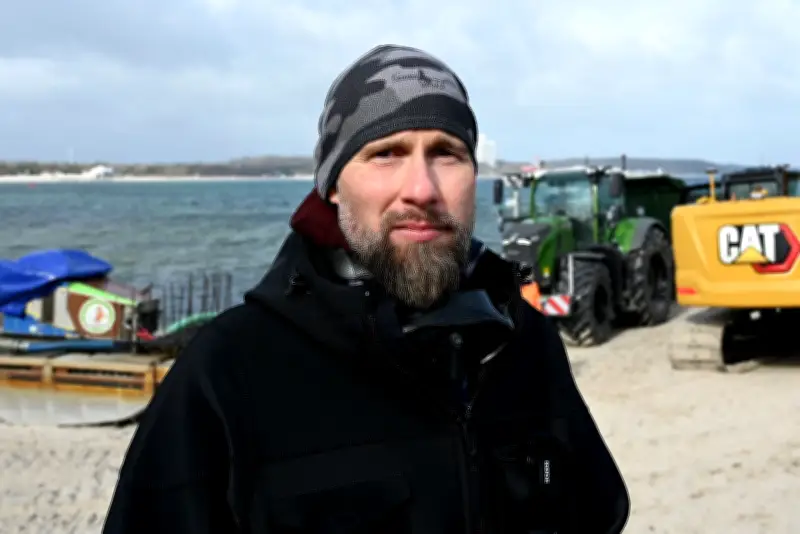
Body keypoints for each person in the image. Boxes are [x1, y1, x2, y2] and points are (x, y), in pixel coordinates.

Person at [103, 44, 630, 534]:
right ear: (332, 186)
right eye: (386, 153)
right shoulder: (227, 374)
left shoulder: (520, 341)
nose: (421, 189)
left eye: (447, 153)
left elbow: (598, 512)